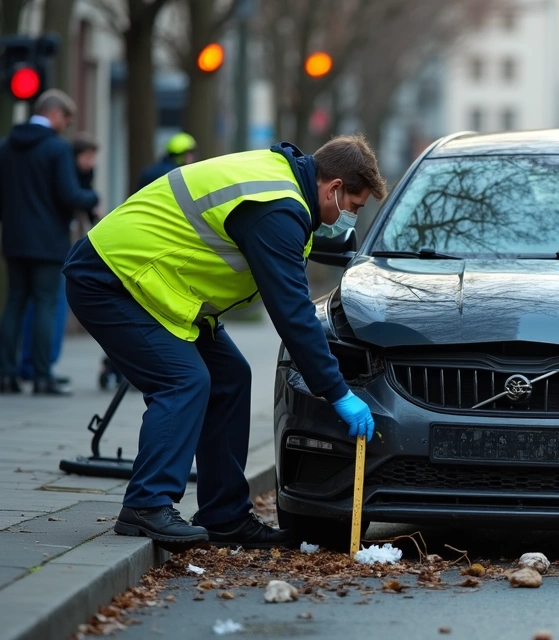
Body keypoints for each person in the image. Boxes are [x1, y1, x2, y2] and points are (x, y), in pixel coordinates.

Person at [62, 134, 385, 548]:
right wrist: (336, 391)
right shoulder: (278, 207)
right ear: (334, 188)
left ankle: (225, 516)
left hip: (151, 285)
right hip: (110, 279)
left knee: (230, 375)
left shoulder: (284, 188)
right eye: (353, 207)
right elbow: (292, 313)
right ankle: (146, 505)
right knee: (185, 380)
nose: (350, 218)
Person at [0, 90, 100, 396]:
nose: (65, 127)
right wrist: (92, 198)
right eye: (65, 120)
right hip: (47, 240)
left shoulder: (5, 146)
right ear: (55, 114)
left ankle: (6, 374)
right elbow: (69, 195)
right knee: (45, 303)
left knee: (15, 302)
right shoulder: (56, 149)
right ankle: (42, 376)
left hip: (14, 237)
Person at [18, 135, 101, 387]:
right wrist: (93, 198)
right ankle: (40, 368)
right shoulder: (62, 168)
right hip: (50, 245)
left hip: (20, 241)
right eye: (87, 158)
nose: (90, 163)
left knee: (22, 303)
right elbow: (76, 199)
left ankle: (20, 367)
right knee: (49, 303)